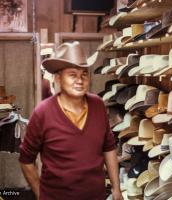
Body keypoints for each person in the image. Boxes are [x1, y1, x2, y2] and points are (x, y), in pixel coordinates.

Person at [19, 41, 123, 200]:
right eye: (72, 75)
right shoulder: (43, 113)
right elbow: (26, 160)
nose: (80, 80)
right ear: (58, 79)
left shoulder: (98, 105)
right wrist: (41, 195)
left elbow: (108, 147)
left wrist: (116, 189)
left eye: (84, 74)